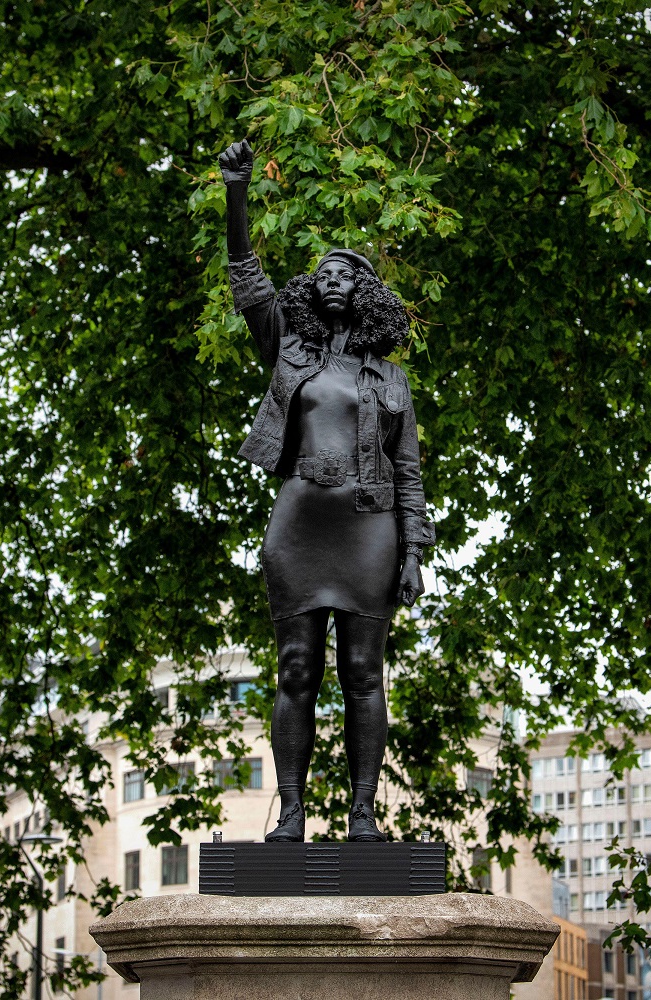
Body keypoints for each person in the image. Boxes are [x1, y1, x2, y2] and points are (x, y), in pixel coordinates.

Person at [219, 138, 435, 843]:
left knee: (363, 672)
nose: (332, 279)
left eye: (346, 273)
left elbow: (408, 469)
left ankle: (363, 815)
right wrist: (237, 190)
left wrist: (414, 552)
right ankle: (291, 815)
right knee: (296, 669)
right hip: (300, 523)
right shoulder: (288, 348)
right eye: (323, 274)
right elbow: (246, 278)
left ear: (365, 292)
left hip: (370, 528)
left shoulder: (391, 379)